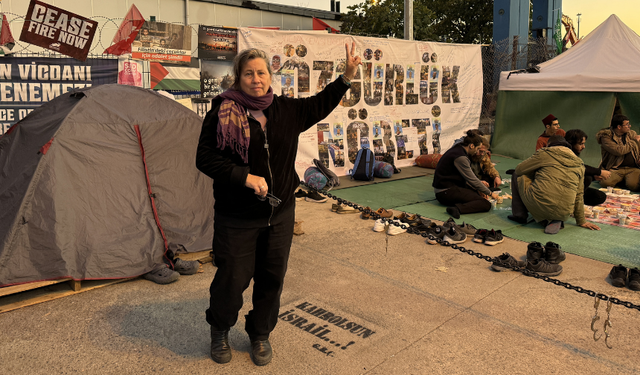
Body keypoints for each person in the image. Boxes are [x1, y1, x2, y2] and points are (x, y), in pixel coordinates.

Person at [196, 43, 361, 366]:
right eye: (248, 73)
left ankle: (260, 334)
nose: (255, 79)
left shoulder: (286, 110)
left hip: (280, 213)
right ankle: (220, 328)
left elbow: (320, 104)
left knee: (272, 279)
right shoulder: (223, 111)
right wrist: (243, 177)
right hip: (237, 217)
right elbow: (205, 158)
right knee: (232, 280)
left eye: (261, 73)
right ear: (238, 77)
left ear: (269, 76)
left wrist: (347, 76)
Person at [508, 135, 600, 234]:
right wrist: (581, 221)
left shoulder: (545, 153)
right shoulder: (580, 163)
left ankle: (520, 215)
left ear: (549, 145)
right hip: (565, 212)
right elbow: (579, 194)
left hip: (541, 202)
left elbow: (519, 169)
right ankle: (555, 216)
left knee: (517, 175)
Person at [433, 130, 500, 219]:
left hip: (451, 187)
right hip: (445, 192)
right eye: (477, 149)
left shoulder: (459, 148)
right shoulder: (461, 157)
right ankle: (457, 209)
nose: (477, 152)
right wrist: (491, 193)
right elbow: (472, 179)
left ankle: (464, 201)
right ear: (471, 146)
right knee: (485, 204)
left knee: (480, 191)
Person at [596, 114, 640, 191]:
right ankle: (621, 179)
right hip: (615, 168)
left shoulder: (632, 134)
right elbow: (619, 151)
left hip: (632, 168)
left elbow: (638, 148)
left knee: (633, 186)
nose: (629, 126)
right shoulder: (606, 136)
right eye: (626, 125)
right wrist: (634, 141)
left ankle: (624, 180)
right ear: (619, 127)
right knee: (606, 183)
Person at [564, 129, 609, 206]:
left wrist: (595, 177)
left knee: (600, 196)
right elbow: (579, 167)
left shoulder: (574, 154)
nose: (583, 147)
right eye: (581, 144)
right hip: (564, 189)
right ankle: (572, 202)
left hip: (573, 187)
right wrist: (600, 172)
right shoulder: (564, 153)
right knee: (587, 178)